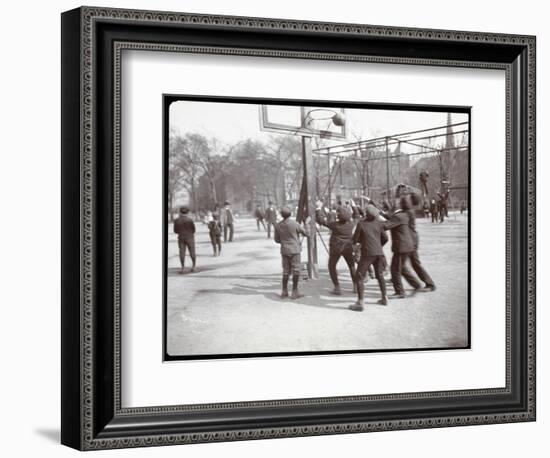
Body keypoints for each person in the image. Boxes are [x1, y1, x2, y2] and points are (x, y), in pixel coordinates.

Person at [350, 205, 389, 310]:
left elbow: (355, 240)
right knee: (380, 275)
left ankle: (360, 302)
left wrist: (359, 243)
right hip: (379, 253)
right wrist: (378, 246)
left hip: (367, 253)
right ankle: (384, 297)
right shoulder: (379, 224)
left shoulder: (361, 224)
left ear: (365, 213)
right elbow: (386, 238)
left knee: (359, 276)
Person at [315, 200, 356, 295]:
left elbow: (321, 220)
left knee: (332, 266)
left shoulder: (335, 225)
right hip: (348, 248)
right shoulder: (351, 224)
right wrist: (353, 206)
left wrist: (318, 208)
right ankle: (355, 286)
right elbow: (357, 215)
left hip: (336, 249)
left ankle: (337, 287)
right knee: (352, 266)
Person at [384, 196, 422, 298]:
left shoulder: (399, 216)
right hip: (407, 245)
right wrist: (381, 213)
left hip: (402, 246)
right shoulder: (405, 214)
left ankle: (400, 292)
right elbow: (392, 218)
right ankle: (417, 285)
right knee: (402, 268)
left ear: (401, 204)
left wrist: (374, 221)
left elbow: (386, 226)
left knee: (395, 269)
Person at [274, 207, 310, 299]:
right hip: (295, 250)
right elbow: (307, 233)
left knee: (285, 271)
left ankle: (284, 291)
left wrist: (284, 241)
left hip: (285, 250)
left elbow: (277, 240)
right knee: (296, 270)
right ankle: (294, 292)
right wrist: (307, 224)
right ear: (290, 214)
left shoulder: (278, 225)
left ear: (282, 215)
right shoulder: (295, 224)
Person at [407, 194, 436, 291]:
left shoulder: (409, 211)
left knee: (415, 263)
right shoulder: (409, 210)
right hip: (411, 239)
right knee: (410, 263)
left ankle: (430, 284)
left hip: (411, 240)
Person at [173, 206, 196, 274]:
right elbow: (194, 230)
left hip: (181, 238)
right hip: (190, 237)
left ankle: (183, 267)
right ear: (187, 212)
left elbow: (175, 231)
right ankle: (193, 266)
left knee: (182, 253)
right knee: (192, 252)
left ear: (180, 212)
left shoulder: (177, 220)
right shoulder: (190, 220)